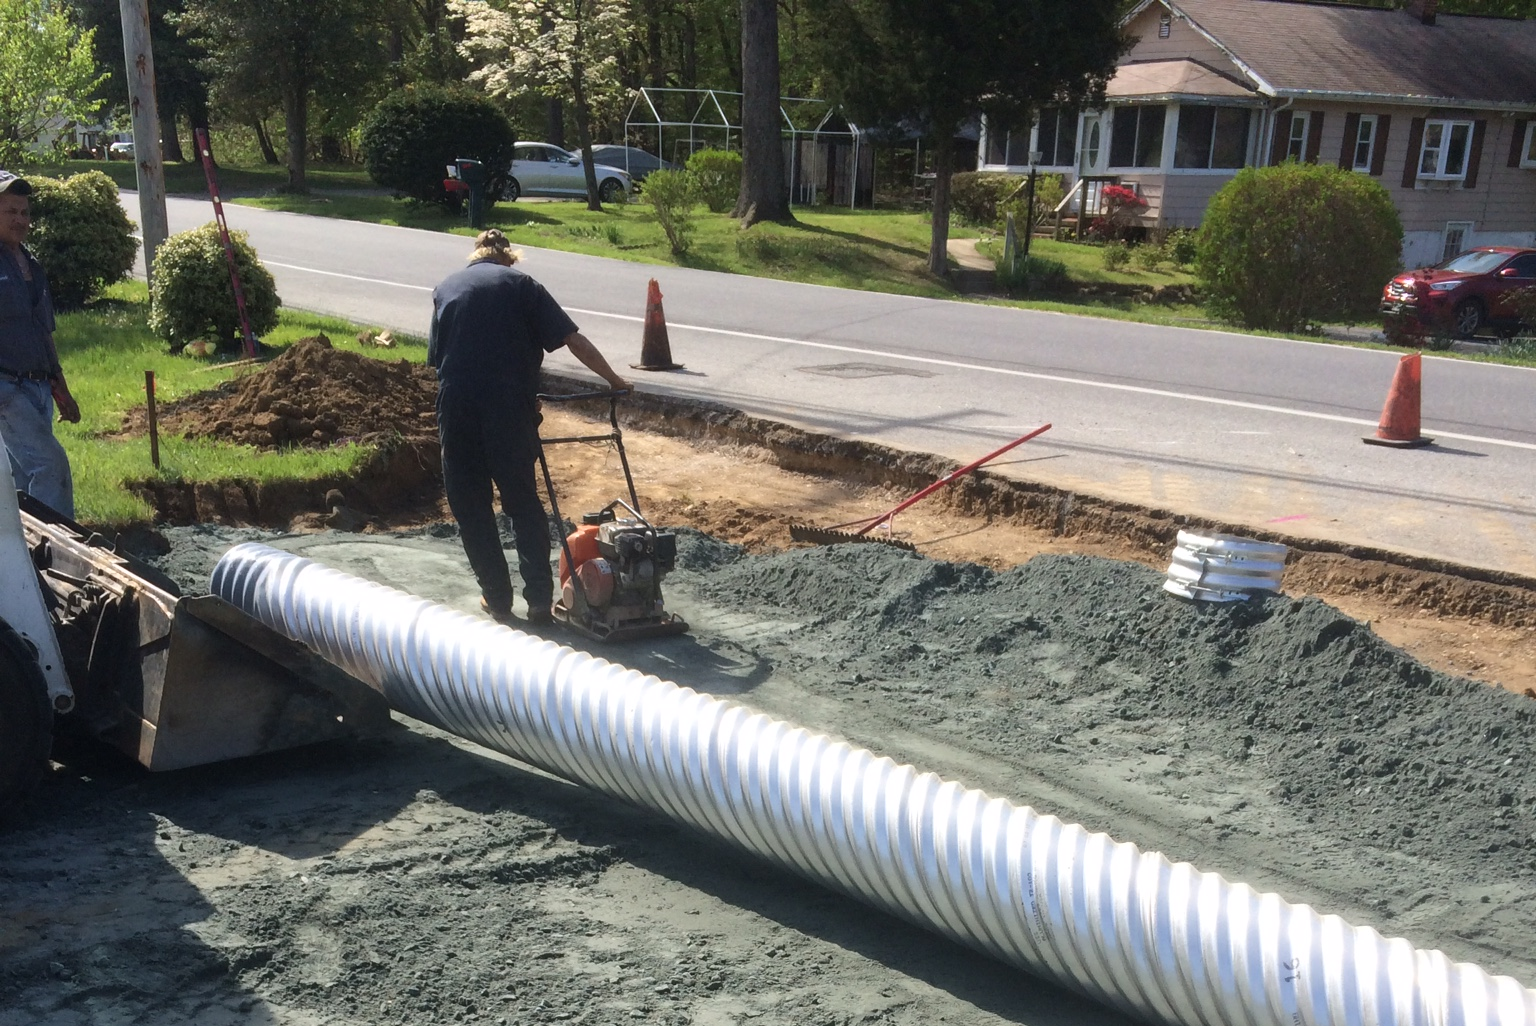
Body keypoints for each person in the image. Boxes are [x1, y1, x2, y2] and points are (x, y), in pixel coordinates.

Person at [429, 229, 631, 627]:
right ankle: (539, 600)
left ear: (475, 257)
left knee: (471, 507)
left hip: (456, 409)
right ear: (509, 258)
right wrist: (614, 382)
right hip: (507, 410)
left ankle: (497, 599)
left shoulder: (445, 288)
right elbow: (573, 339)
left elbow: (442, 361)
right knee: (522, 503)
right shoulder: (522, 285)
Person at [0, 170, 79, 519]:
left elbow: (44, 331)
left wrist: (62, 390)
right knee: (50, 465)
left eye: (24, 212)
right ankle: (60, 543)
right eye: (10, 211)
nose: (19, 219)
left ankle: (24, 546)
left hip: (38, 389)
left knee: (21, 479)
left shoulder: (32, 265)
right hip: (7, 389)